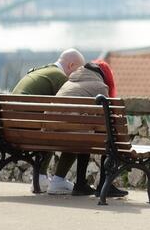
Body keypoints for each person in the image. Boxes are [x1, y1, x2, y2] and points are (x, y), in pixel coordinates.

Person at [48, 59, 127, 198]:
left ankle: (80, 185)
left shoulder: (68, 83)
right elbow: (107, 120)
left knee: (84, 133)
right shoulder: (100, 87)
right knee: (107, 135)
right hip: (77, 135)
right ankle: (104, 184)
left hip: (52, 134)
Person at [10, 48, 85, 191]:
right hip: (31, 130)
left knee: (49, 126)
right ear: (71, 66)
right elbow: (69, 110)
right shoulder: (59, 77)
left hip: (11, 130)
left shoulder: (41, 71)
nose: (79, 75)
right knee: (77, 133)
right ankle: (58, 180)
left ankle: (41, 178)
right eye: (79, 70)